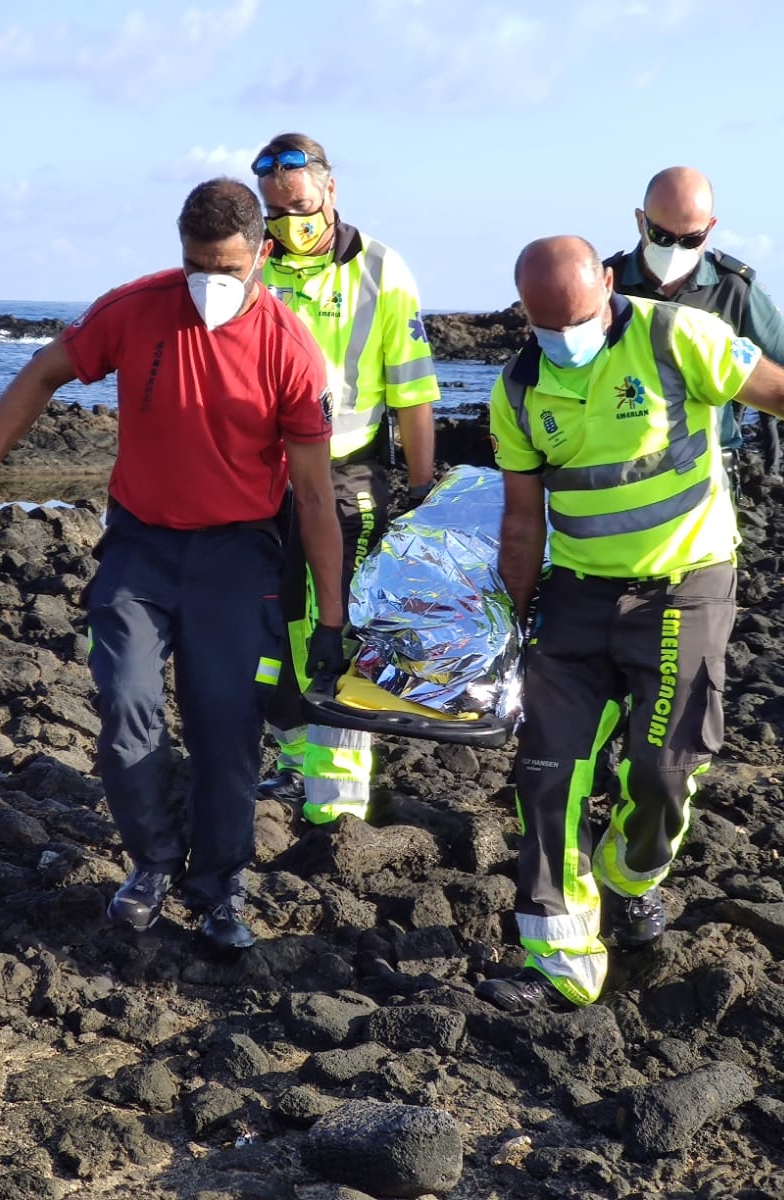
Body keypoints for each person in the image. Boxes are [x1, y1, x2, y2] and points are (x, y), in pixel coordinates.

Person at [476, 236, 784, 1015]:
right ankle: (560, 964)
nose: (564, 340)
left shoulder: (674, 336)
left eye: (577, 320)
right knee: (545, 774)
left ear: (608, 284)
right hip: (578, 597)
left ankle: (632, 876)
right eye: (546, 327)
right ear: (525, 315)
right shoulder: (517, 388)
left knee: (663, 771)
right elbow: (523, 523)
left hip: (685, 589)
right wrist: (507, 632)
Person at [0, 178, 348, 954]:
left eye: (227, 269)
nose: (210, 284)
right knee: (128, 710)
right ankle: (154, 863)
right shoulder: (135, 308)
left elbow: (315, 497)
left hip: (238, 556)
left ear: (263, 255)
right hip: (140, 547)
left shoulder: (291, 348)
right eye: (197, 265)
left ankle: (220, 885)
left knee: (226, 731)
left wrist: (330, 620)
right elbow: (41, 373)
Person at [249, 132, 441, 825]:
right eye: (274, 214)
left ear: (330, 191)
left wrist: (422, 496)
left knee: (345, 626)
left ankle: (339, 800)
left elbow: (413, 393)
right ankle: (297, 757)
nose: (287, 224)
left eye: (298, 207)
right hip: (260, 476)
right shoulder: (255, 268)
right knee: (283, 624)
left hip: (347, 473)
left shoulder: (383, 272)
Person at [607, 167, 784, 493]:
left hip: (709, 474)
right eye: (662, 237)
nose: (675, 250)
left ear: (711, 228)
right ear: (640, 221)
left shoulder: (734, 288)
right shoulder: (603, 287)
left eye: (691, 239)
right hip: (618, 471)